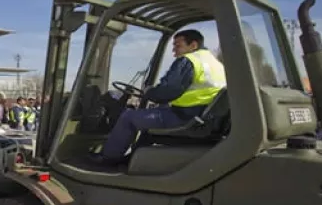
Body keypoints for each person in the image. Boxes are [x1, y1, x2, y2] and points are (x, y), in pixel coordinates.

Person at [94, 29, 226, 164]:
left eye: (178, 45)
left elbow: (167, 91)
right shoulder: (215, 64)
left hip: (185, 118)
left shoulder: (188, 61)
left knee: (128, 117)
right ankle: (133, 159)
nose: (174, 50)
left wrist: (149, 91)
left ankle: (107, 159)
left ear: (193, 45)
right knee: (149, 117)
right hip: (203, 118)